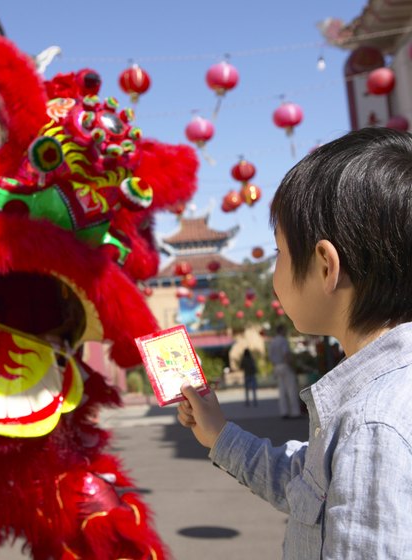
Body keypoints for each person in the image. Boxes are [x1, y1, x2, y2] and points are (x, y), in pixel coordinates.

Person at [177, 127, 412, 559]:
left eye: (280, 252)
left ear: (325, 266)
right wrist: (220, 435)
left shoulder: (370, 428)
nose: (275, 272)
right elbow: (308, 485)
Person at [268, 324, 301, 418]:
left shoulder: (273, 341)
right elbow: (286, 354)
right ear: (281, 330)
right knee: (291, 389)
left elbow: (270, 356)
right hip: (285, 365)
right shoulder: (283, 341)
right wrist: (292, 365)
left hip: (277, 366)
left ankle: (284, 412)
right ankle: (295, 412)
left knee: (282, 390)